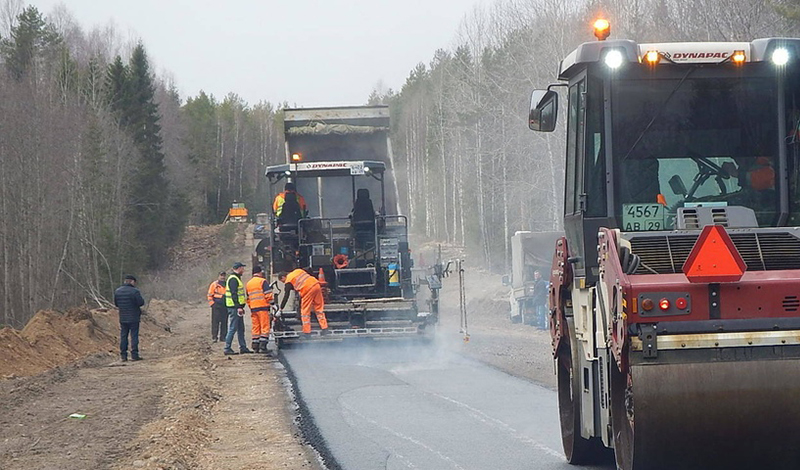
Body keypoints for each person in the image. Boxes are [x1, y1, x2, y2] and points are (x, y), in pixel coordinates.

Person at [277, 269, 329, 335]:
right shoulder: (297, 271)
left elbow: (286, 296)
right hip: (316, 285)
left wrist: (281, 308)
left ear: (283, 277)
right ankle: (324, 328)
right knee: (319, 309)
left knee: (305, 312)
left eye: (282, 281)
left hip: (307, 290)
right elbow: (309, 269)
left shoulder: (288, 281)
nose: (284, 283)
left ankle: (307, 332)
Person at [223, 262, 254, 355]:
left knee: (241, 328)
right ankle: (227, 348)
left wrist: (240, 306)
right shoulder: (233, 279)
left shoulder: (236, 278)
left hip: (236, 307)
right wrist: (238, 307)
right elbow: (234, 294)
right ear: (239, 268)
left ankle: (243, 347)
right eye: (242, 268)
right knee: (233, 328)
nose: (243, 270)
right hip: (234, 307)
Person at [114, 274, 145, 362]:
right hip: (134, 317)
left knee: (123, 336)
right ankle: (134, 355)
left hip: (123, 317)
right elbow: (141, 302)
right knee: (134, 336)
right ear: (132, 281)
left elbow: (116, 304)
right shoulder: (135, 291)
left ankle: (123, 356)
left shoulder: (117, 291)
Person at [246, 266, 274, 354]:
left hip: (253, 309)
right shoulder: (262, 281)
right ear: (260, 272)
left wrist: (251, 306)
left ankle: (255, 346)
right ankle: (263, 346)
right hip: (263, 307)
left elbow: (247, 298)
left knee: (256, 327)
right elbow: (268, 294)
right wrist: (273, 304)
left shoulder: (248, 283)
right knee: (265, 327)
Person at [207, 271, 228, 342]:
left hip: (225, 305)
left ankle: (223, 337)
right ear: (218, 276)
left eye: (224, 276)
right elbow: (209, 295)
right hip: (216, 305)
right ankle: (214, 337)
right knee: (215, 322)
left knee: (224, 322)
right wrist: (212, 304)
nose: (222, 277)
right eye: (221, 275)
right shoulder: (214, 284)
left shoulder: (227, 284)